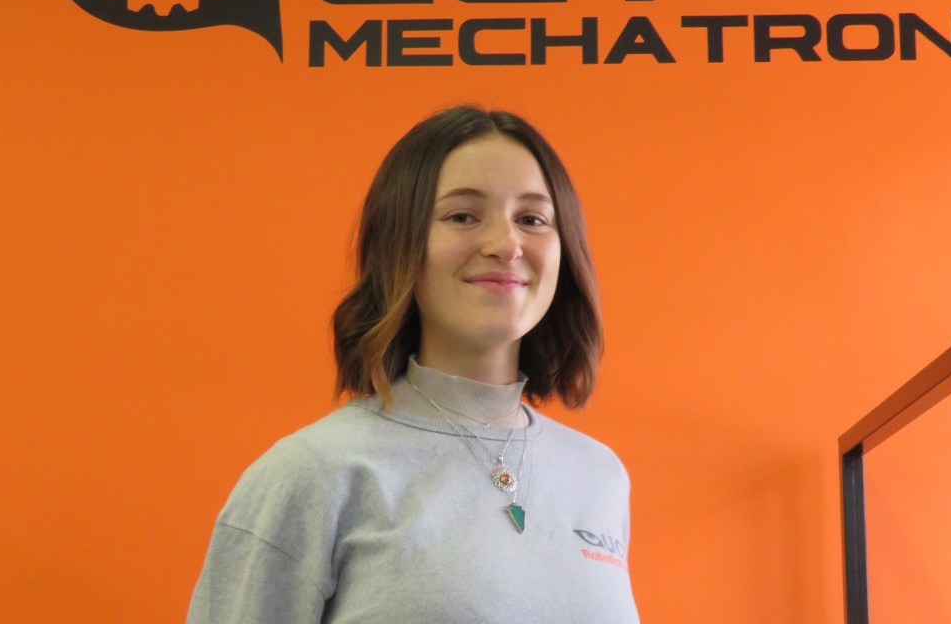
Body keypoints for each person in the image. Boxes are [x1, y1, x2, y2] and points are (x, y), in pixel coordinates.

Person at [186, 105, 639, 623]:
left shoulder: (599, 475)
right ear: (400, 243)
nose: (505, 244)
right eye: (462, 216)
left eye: (531, 219)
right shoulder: (313, 473)